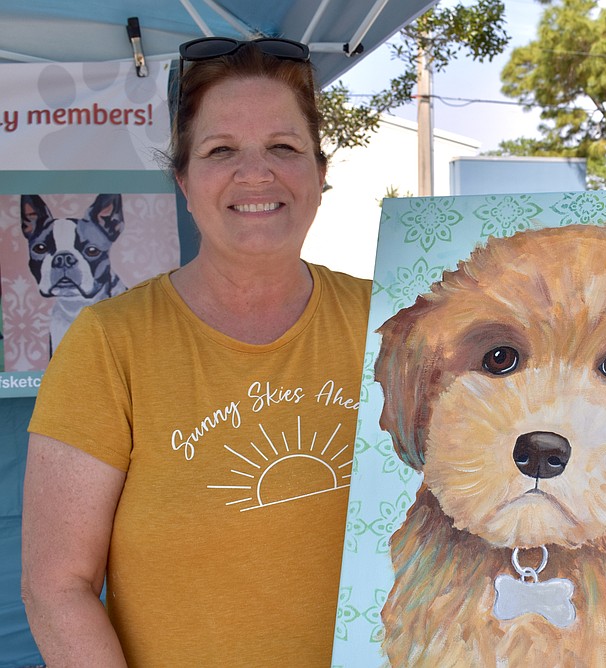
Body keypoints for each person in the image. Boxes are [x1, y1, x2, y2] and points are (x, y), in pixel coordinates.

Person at [21, 38, 370, 666]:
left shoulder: (395, 324)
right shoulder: (109, 344)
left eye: (284, 148)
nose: (255, 173)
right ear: (183, 180)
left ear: (320, 174)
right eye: (221, 150)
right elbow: (56, 586)